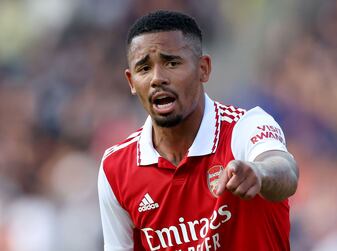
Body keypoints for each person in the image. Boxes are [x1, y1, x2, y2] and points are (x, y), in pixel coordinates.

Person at [98, 10, 299, 251]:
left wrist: (259, 172)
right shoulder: (115, 168)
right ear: (131, 82)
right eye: (144, 68)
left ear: (203, 68)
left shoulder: (244, 127)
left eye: (172, 63)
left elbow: (285, 170)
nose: (157, 78)